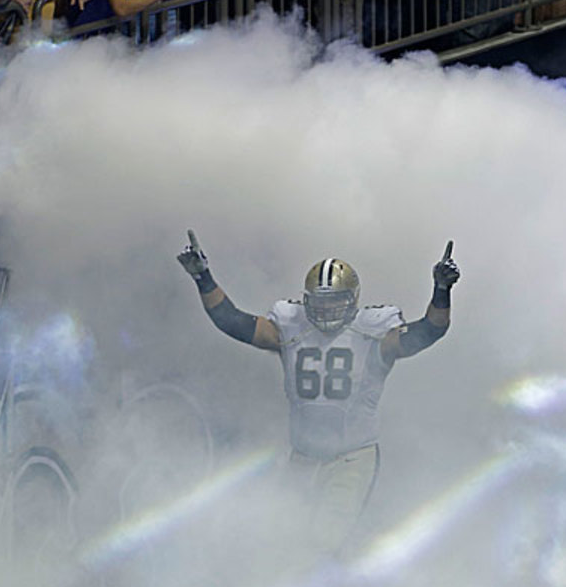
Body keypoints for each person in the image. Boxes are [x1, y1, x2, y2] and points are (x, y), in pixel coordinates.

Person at [177, 230, 460, 555]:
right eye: (321, 301)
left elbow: (430, 330)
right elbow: (232, 321)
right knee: (283, 539)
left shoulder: (374, 331)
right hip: (303, 456)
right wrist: (203, 277)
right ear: (307, 300)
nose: (327, 310)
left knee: (326, 541)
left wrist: (442, 290)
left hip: (351, 457)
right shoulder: (290, 326)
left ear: (353, 299)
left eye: (336, 301)